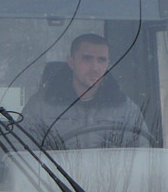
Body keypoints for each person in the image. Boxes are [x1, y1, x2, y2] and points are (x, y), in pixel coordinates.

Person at [21, 33, 149, 149]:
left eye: (101, 60)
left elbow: (142, 156)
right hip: (53, 175)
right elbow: (22, 153)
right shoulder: (41, 107)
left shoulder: (126, 109)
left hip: (112, 174)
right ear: (71, 62)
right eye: (87, 59)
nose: (95, 67)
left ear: (108, 64)